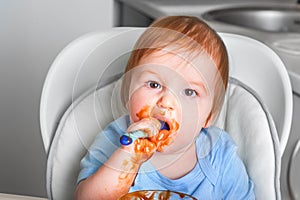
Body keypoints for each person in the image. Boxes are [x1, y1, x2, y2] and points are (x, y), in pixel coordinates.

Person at [75, 16, 254, 200]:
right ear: (128, 95)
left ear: (209, 117)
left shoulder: (219, 155)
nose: (167, 102)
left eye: (189, 92)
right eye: (153, 85)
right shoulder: (115, 140)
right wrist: (127, 157)